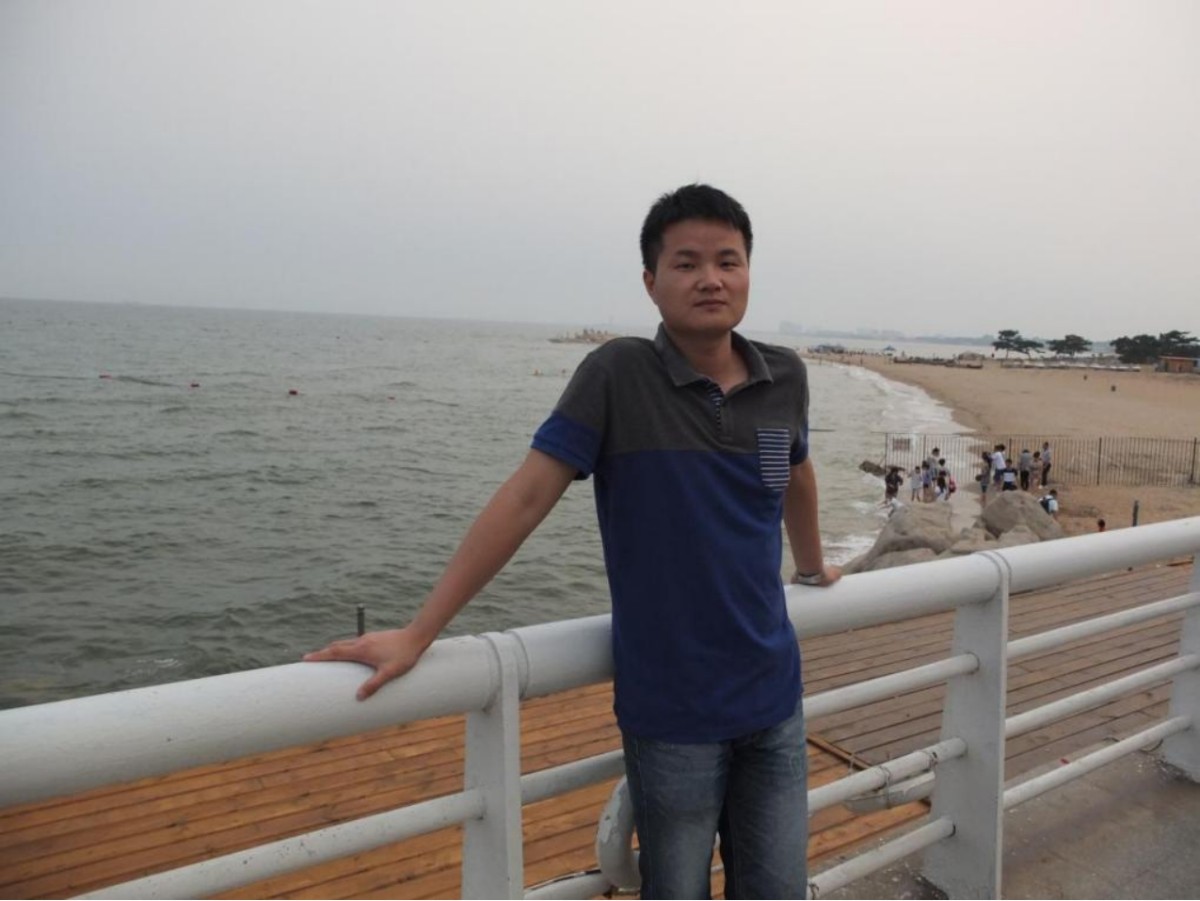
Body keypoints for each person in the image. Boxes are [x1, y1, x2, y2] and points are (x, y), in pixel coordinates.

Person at [305, 184, 840, 898]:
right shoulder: (618, 374)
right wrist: (419, 632)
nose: (710, 278)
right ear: (651, 282)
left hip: (774, 695)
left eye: (727, 261)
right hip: (672, 711)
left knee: (777, 888)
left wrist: (812, 565)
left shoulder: (784, 377)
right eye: (686, 263)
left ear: (748, 272)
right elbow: (526, 497)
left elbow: (795, 476)